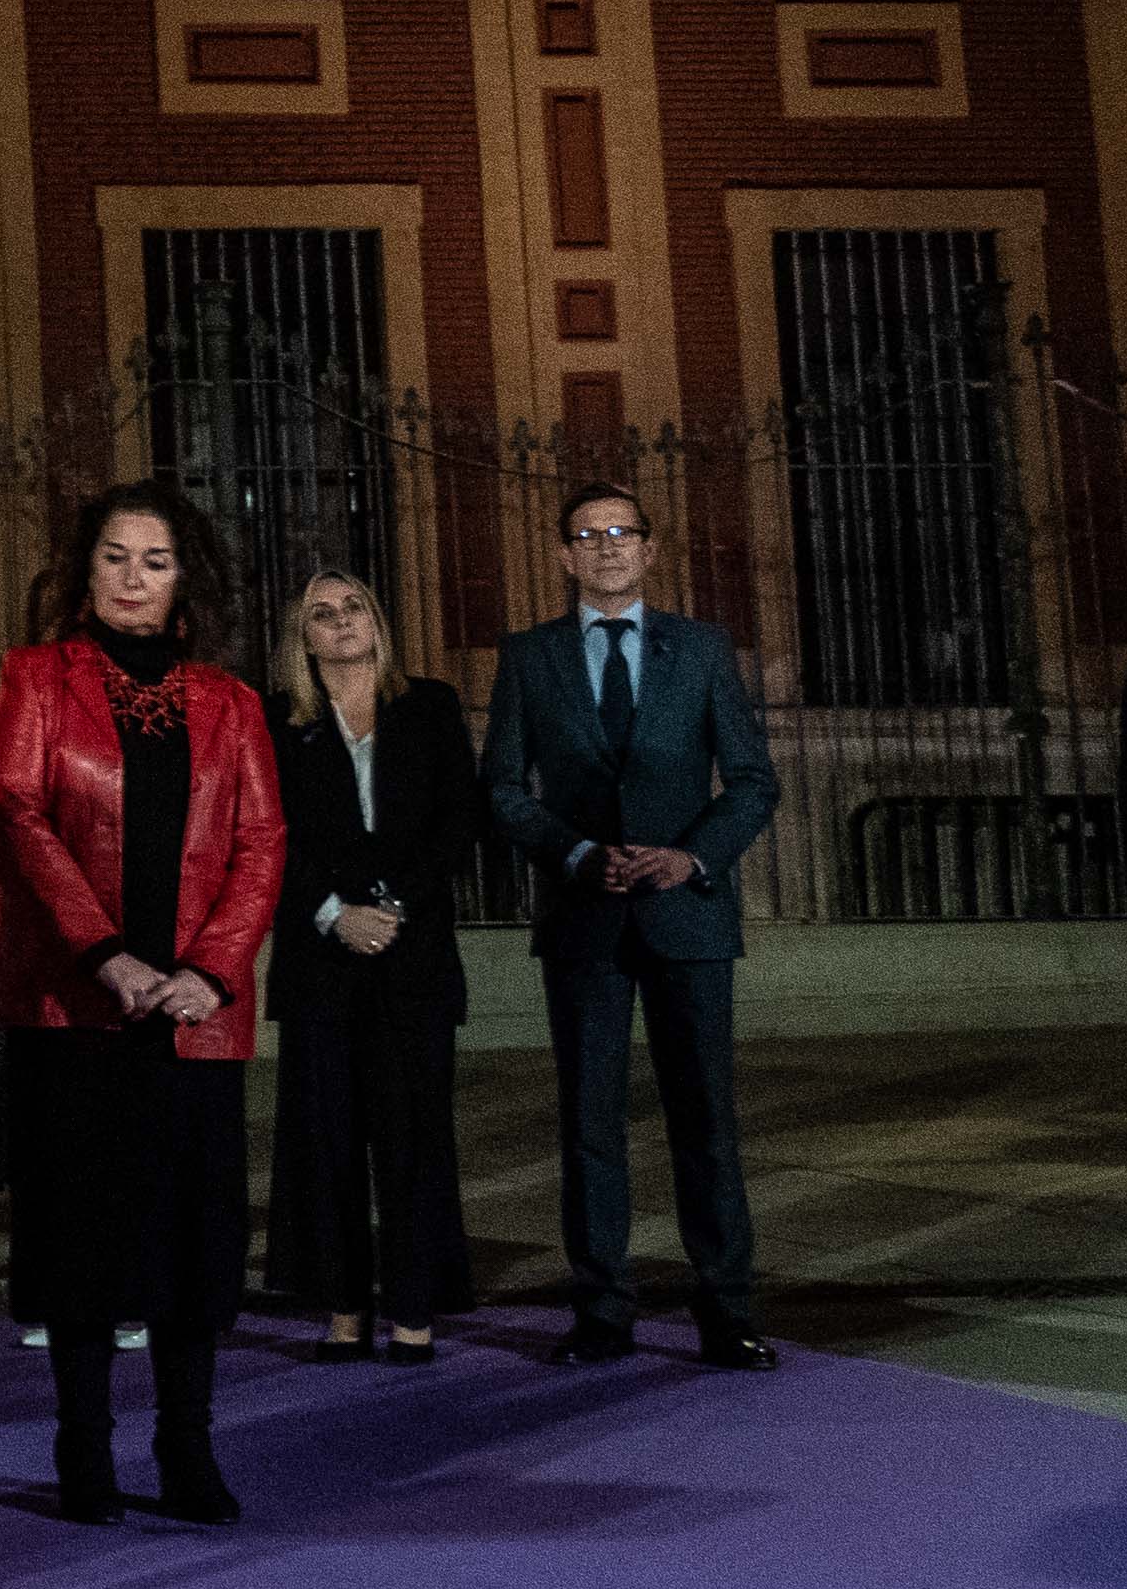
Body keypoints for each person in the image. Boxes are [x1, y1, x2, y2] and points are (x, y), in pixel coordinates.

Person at [0, 480, 283, 1526]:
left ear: (185, 576)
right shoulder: (34, 678)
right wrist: (103, 953)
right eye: (115, 557)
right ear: (86, 568)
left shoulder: (233, 702)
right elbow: (12, 817)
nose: (134, 578)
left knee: (192, 1243)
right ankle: (85, 1451)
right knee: (79, 1239)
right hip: (74, 1008)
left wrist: (211, 972)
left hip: (194, 1014)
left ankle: (187, 1449)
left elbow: (262, 845)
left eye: (155, 560)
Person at [479, 481, 781, 1370]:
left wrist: (691, 858)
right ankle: (603, 1312)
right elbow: (502, 788)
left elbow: (753, 780)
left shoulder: (702, 649)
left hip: (688, 915)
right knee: (590, 1124)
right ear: (563, 556)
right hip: (584, 919)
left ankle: (726, 1311)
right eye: (587, 535)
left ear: (650, 549)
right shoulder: (529, 657)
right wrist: (574, 854)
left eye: (622, 531)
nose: (607, 545)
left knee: (705, 1120)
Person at [266, 568, 476, 1360]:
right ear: (303, 637)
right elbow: (265, 832)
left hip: (410, 954)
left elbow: (458, 820)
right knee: (327, 1141)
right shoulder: (273, 720)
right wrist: (333, 914)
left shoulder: (430, 706)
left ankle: (414, 1308)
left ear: (378, 620)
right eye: (322, 613)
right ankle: (345, 1309)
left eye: (355, 606)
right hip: (320, 961)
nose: (343, 621)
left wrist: (389, 905)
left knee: (414, 1137)